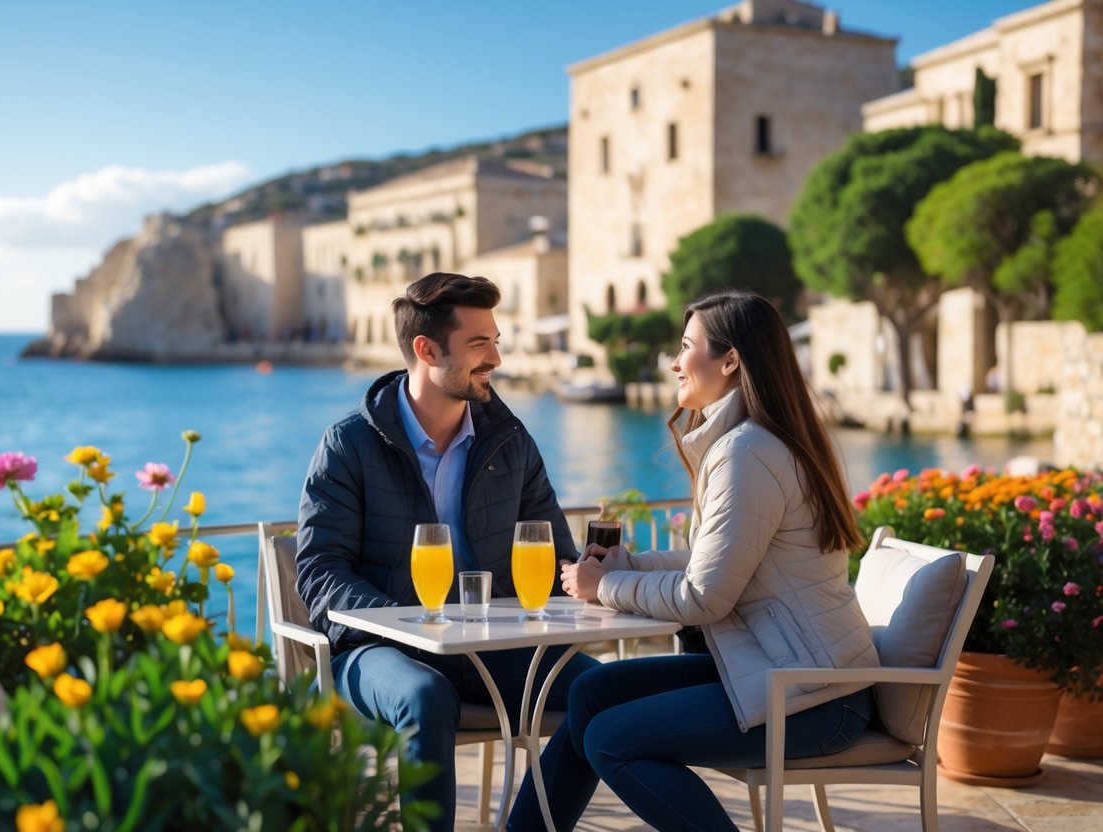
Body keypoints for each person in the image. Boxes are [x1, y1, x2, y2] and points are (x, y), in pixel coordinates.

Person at [508, 290, 880, 832]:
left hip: (814, 698)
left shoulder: (746, 453)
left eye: (686, 348)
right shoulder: (751, 443)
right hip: (778, 671)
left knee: (611, 741)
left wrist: (604, 585)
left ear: (731, 361)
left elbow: (704, 597)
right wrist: (627, 567)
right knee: (590, 693)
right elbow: (713, 560)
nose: (676, 363)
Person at [297, 272, 598, 831]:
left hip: (490, 647)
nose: (496, 359)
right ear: (425, 349)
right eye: (479, 344)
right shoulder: (349, 445)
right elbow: (319, 571)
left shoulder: (511, 441)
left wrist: (594, 576)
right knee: (426, 697)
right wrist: (404, 624)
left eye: (496, 341)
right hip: (378, 651)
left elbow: (557, 556)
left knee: (602, 692)